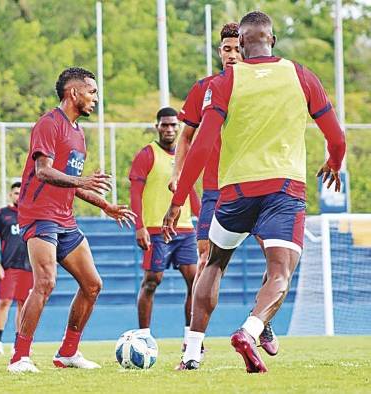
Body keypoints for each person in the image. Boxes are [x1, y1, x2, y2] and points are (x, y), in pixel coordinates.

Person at [163, 11, 346, 373]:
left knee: (212, 263)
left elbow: (201, 145)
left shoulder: (227, 81)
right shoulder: (301, 75)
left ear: (243, 45)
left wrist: (178, 199)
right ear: (272, 40)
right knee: (280, 270)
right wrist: (334, 163)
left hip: (234, 192)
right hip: (284, 190)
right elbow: (336, 137)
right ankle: (251, 329)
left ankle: (192, 352)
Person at [8, 67, 137, 373]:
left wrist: (105, 205)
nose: (96, 98)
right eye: (92, 91)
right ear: (74, 93)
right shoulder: (49, 124)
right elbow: (43, 171)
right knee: (46, 282)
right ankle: (19, 357)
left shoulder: (78, 133)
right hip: (38, 215)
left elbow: (71, 182)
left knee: (92, 285)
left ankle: (68, 352)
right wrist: (82, 183)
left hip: (65, 219)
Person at [171, 22, 279, 358]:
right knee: (207, 259)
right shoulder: (204, 88)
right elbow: (186, 137)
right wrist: (178, 174)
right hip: (216, 189)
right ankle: (195, 341)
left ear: (247, 48)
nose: (232, 55)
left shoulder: (262, 86)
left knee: (276, 259)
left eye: (237, 48)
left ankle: (261, 319)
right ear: (220, 51)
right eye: (226, 49)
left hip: (258, 183)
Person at [129, 107, 200, 350]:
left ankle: (191, 339)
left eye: (173, 125)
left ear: (178, 127)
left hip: (185, 229)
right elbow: (135, 193)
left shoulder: (186, 155)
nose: (169, 129)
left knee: (196, 281)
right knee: (152, 281)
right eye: (165, 125)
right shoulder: (147, 154)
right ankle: (144, 336)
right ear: (157, 126)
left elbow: (189, 189)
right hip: (156, 230)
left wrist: (203, 214)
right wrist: (139, 226)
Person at [0, 181, 32, 356]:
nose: (18, 196)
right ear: (10, 195)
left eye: (21, 193)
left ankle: (18, 343)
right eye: (15, 193)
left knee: (24, 305)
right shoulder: (2, 214)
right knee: (4, 302)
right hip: (9, 267)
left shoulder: (30, 214)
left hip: (28, 267)